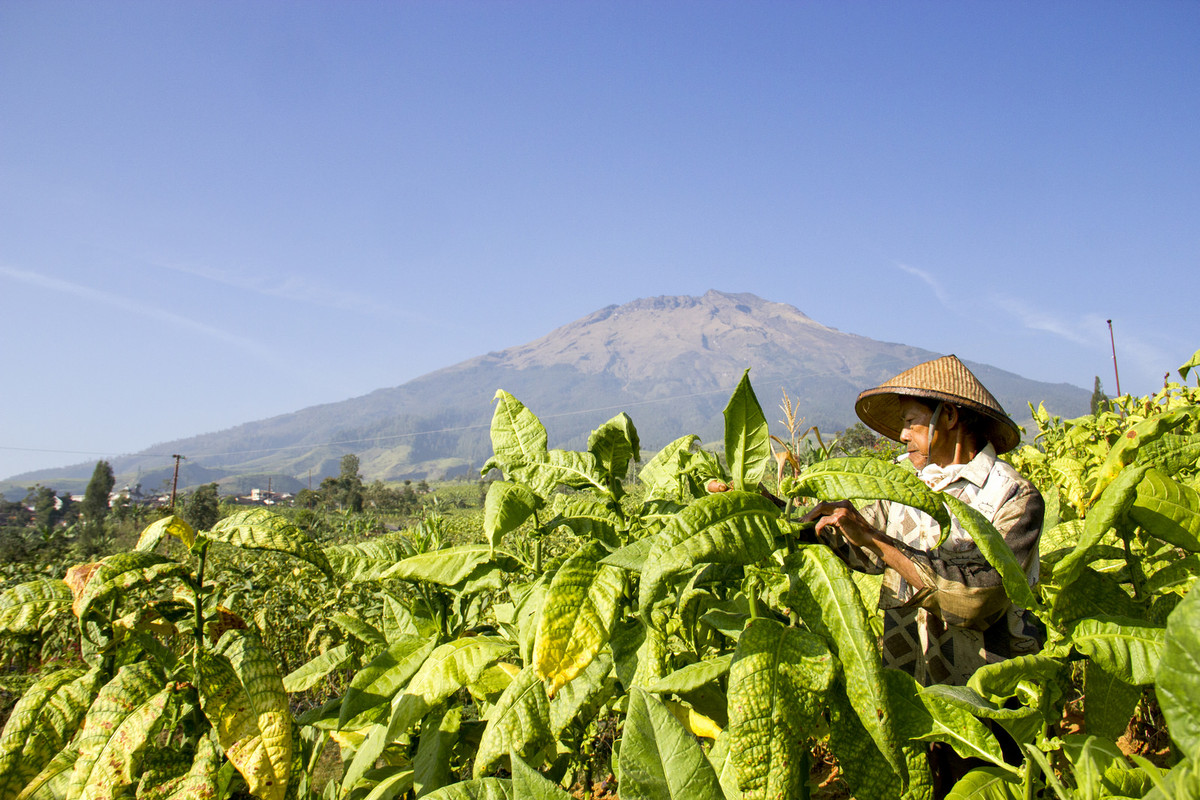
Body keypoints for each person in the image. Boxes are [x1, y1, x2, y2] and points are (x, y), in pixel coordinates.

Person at [802, 354, 1044, 688]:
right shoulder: (908, 487)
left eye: (910, 421)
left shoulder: (1012, 496)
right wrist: (759, 509)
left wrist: (875, 539)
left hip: (990, 692)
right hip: (910, 680)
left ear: (947, 416)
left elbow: (978, 597)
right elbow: (858, 550)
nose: (901, 435)